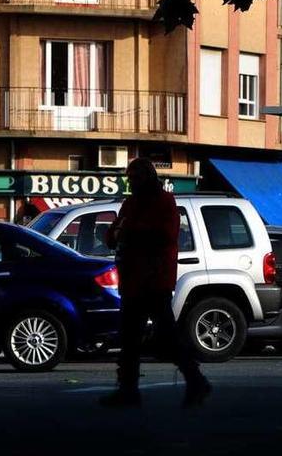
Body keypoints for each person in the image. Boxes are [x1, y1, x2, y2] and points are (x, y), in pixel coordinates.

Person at [99, 158, 211, 408]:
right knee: (129, 338)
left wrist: (131, 232)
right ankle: (129, 390)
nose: (132, 183)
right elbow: (112, 234)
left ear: (147, 178)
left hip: (154, 281)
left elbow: (165, 235)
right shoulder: (131, 203)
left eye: (135, 178)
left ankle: (195, 381)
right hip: (131, 280)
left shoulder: (163, 202)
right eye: (130, 179)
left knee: (166, 336)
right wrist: (120, 233)